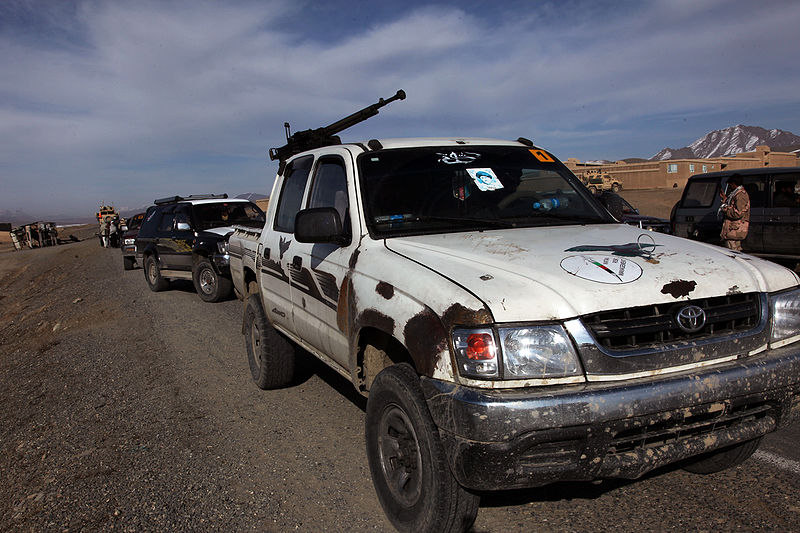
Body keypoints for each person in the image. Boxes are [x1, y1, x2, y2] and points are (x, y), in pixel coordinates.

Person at [718, 174, 750, 251]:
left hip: (734, 230)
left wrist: (724, 208)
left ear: (734, 183)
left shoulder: (740, 195)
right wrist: (725, 199)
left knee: (732, 252)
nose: (730, 187)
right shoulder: (736, 194)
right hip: (732, 230)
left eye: (730, 185)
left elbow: (737, 213)